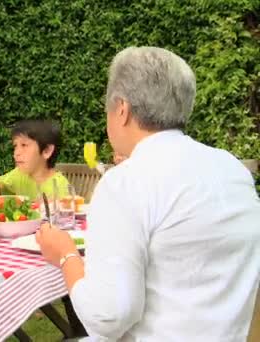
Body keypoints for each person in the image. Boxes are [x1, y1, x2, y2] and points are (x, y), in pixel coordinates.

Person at [36, 47, 260, 341]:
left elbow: (107, 316)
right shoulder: (232, 169)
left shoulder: (126, 183)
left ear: (122, 110)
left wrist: (65, 254)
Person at [0, 120, 69, 199]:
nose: (17, 152)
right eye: (15, 146)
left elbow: (62, 217)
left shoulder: (59, 186)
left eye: (24, 145)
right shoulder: (19, 174)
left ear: (46, 151)